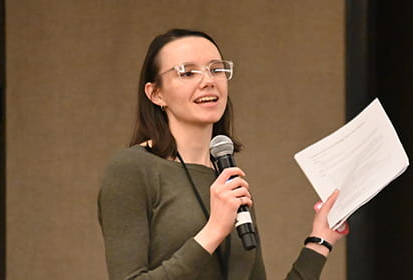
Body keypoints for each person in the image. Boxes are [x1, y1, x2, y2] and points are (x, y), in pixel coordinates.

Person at [98, 28, 345, 280]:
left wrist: (320, 240)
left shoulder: (228, 178)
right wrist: (214, 230)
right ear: (156, 93)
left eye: (216, 69)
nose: (208, 81)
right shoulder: (132, 168)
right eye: (188, 72)